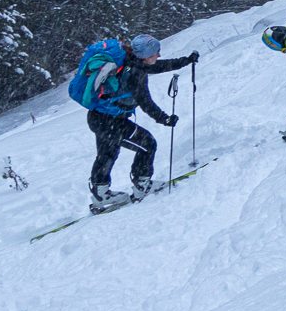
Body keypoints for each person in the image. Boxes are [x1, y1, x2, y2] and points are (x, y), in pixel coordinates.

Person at [80, 34, 198, 212]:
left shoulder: (130, 62)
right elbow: (146, 103)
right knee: (147, 143)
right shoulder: (135, 73)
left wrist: (185, 61)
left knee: (107, 153)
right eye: (155, 52)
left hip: (99, 117)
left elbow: (158, 66)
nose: (158, 55)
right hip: (109, 121)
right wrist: (164, 118)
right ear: (145, 55)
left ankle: (100, 193)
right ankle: (142, 185)